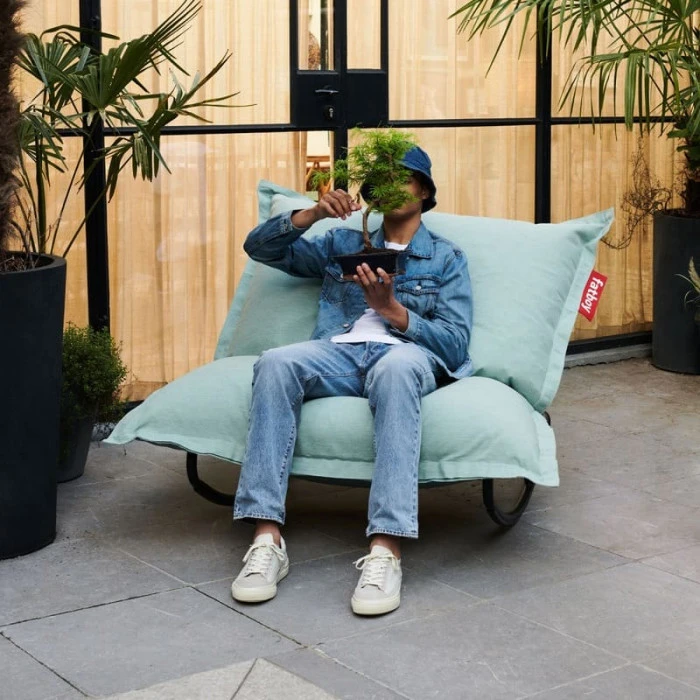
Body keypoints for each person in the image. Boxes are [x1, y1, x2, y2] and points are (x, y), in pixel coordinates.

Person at [231, 146, 473, 616]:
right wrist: (313, 213)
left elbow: (455, 344)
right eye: (382, 179)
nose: (392, 186)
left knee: (396, 369)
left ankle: (386, 548)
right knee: (276, 362)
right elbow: (260, 248)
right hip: (338, 353)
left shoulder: (446, 257)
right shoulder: (342, 242)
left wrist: (393, 312)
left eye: (404, 177)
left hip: (402, 356)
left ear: (425, 192)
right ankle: (266, 539)